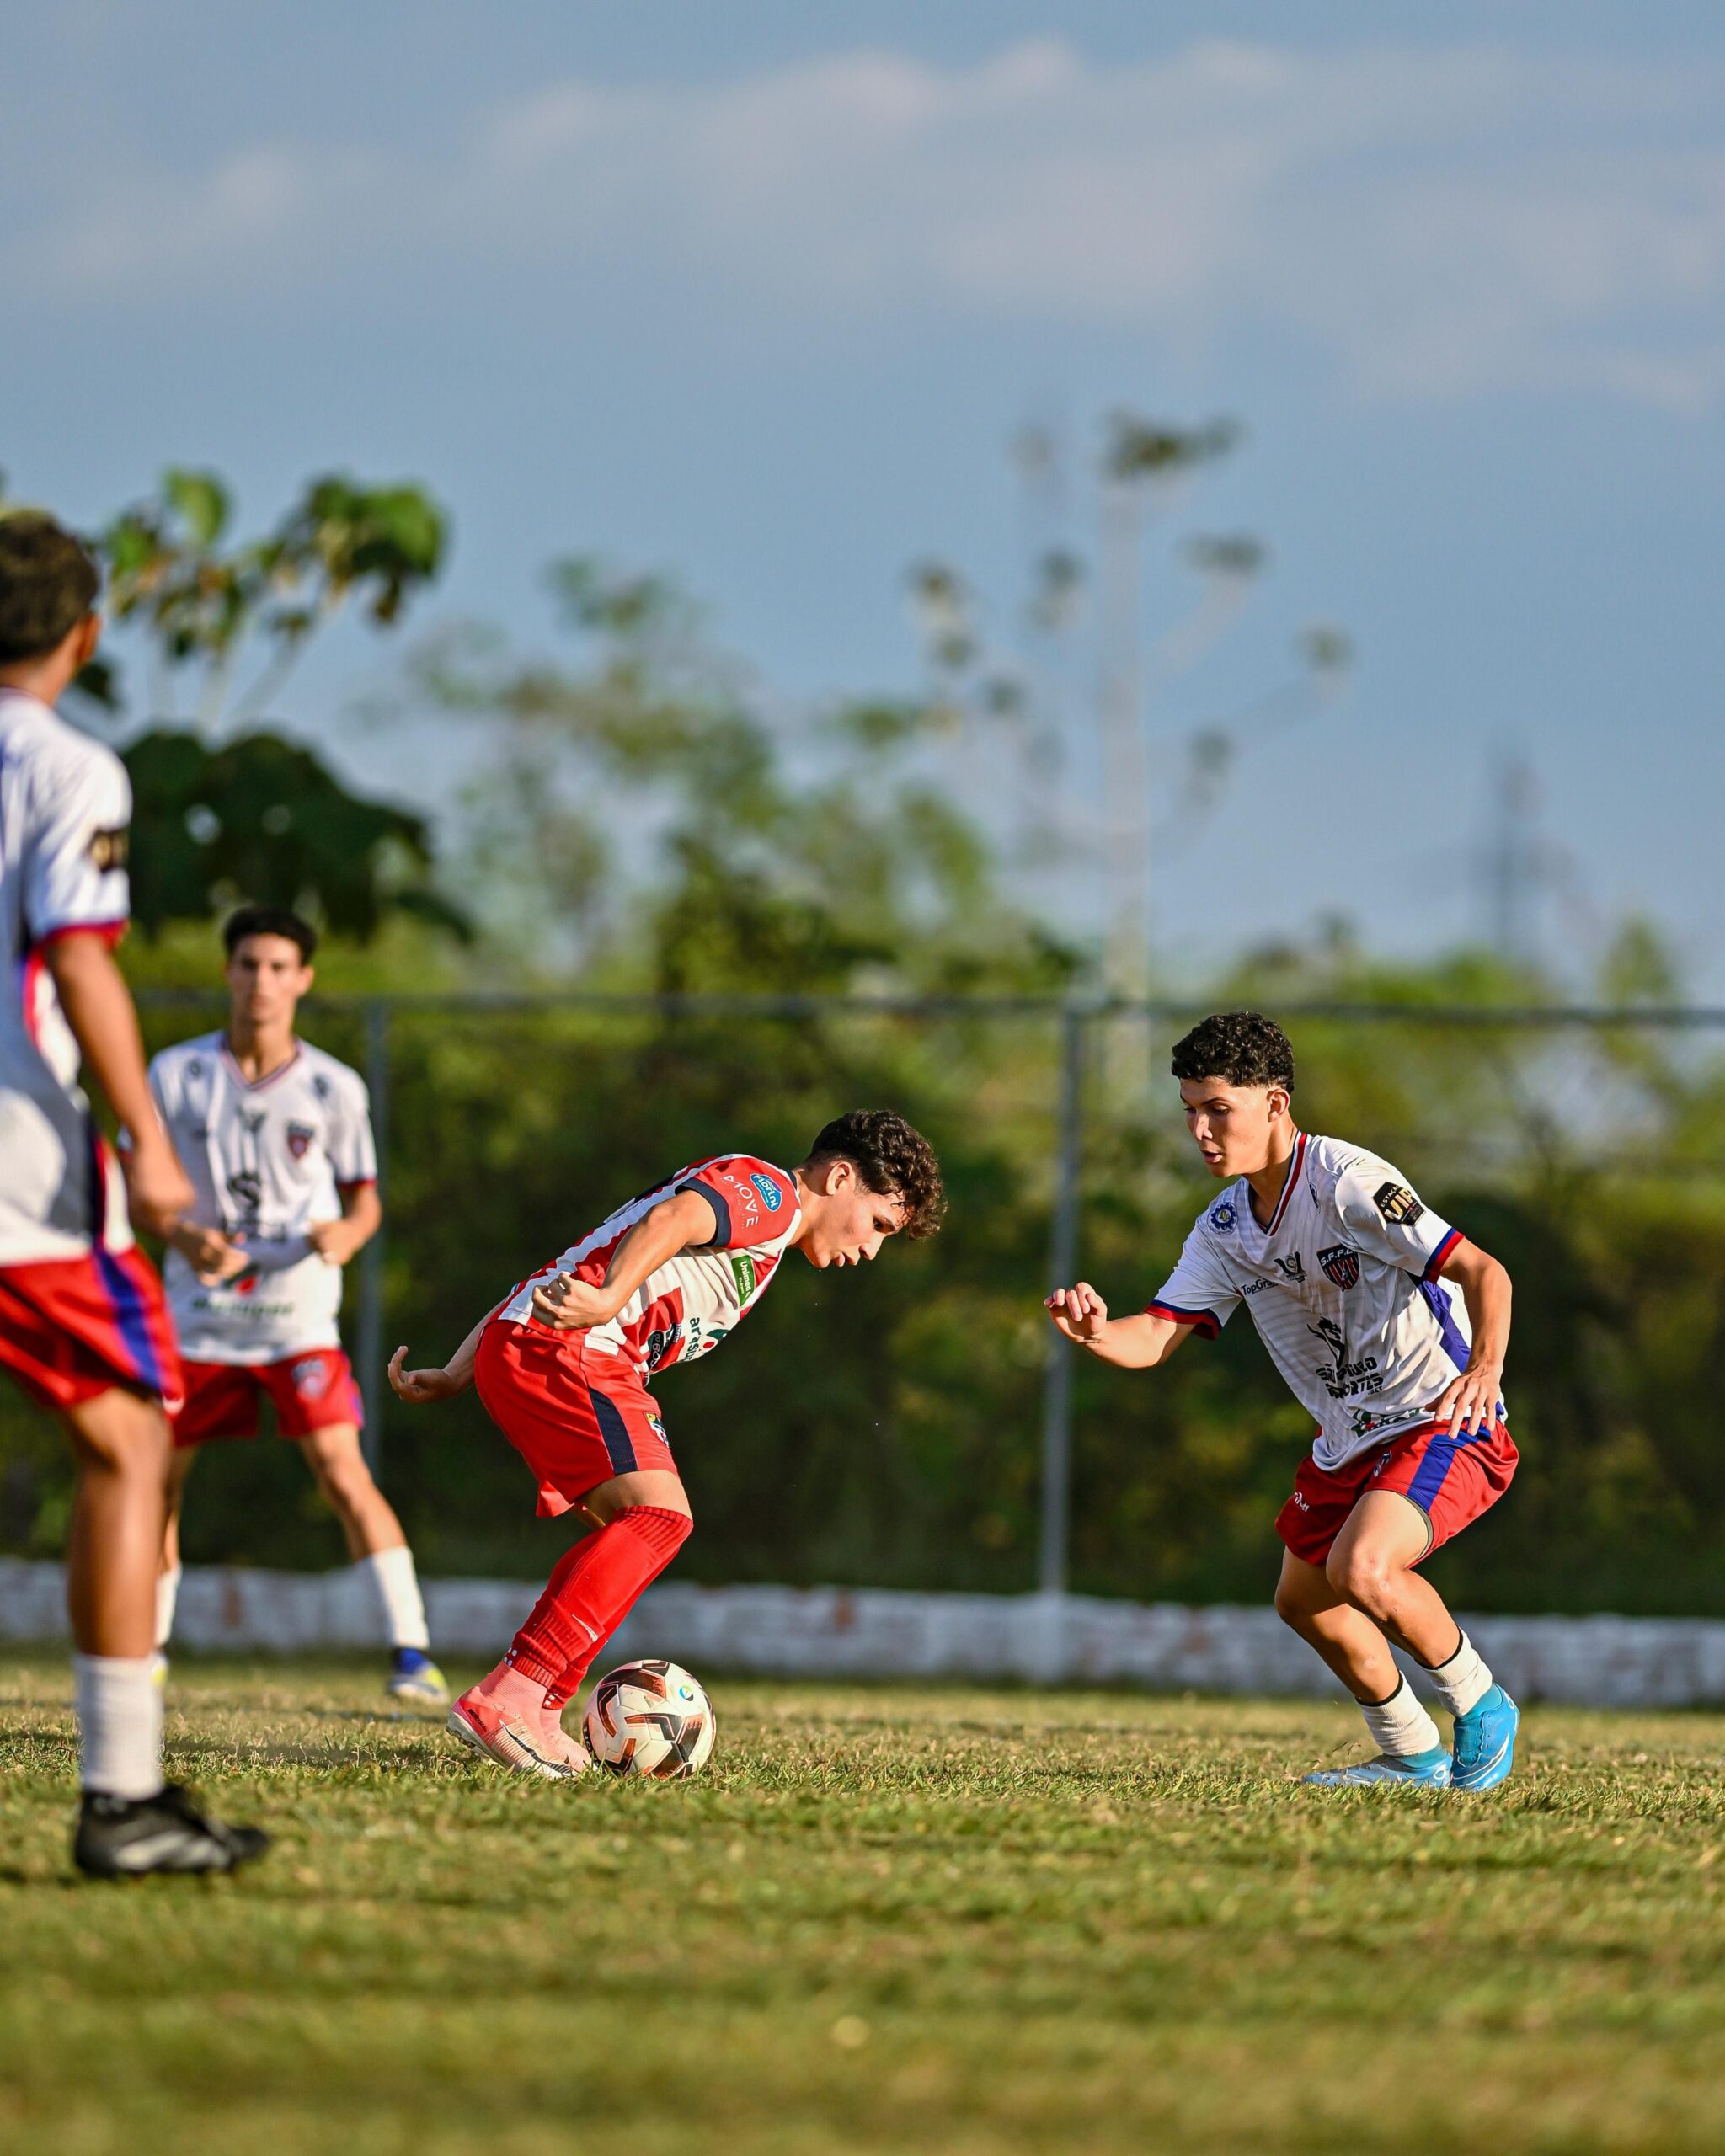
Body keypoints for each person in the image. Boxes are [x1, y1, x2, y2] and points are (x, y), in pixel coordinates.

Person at [1046, 1010, 1520, 1790]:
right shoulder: (1226, 1227)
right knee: (1306, 1600)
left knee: (1363, 1569)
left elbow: (1485, 1272)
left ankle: (1481, 1702)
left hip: (1441, 1416)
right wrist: (1095, 1332)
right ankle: (1411, 1753)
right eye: (1190, 1112)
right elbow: (1156, 1335)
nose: (1199, 1130)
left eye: (1217, 1109)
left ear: (1275, 1102)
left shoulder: (1348, 1184)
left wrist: (1487, 1370)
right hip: (1349, 1439)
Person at [389, 1110, 944, 1775]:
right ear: (840, 1176)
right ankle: (512, 1694)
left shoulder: (767, 1233)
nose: (872, 1250)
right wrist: (607, 1301)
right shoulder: (769, 1194)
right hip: (575, 1351)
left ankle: (537, 1707)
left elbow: (562, 1266)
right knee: (660, 1517)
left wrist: (460, 1368)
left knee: (641, 1530)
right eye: (879, 1225)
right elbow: (672, 1221)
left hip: (552, 1345)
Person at [0, 511, 267, 1873]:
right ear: (84, 635)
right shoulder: (67, 769)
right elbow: (82, 962)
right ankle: (121, 1800)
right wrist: (149, 1151)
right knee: (125, 1441)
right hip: (21, 1175)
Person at [147, 905, 447, 1703]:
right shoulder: (174, 1075)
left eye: (280, 968)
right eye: (249, 964)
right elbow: (140, 1191)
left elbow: (366, 1202)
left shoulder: (333, 1086)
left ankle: (412, 1653)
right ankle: (143, 1648)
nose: (263, 982)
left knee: (343, 1474)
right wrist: (182, 1235)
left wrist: (346, 1236)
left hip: (296, 1321)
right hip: (199, 1322)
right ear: (228, 972)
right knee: (153, 1480)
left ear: (304, 980)